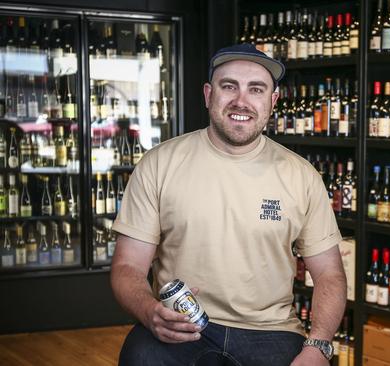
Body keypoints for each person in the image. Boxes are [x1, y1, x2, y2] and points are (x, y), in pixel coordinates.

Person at [110, 43, 347, 366]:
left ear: (272, 101)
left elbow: (330, 274)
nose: (241, 101)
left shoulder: (301, 176)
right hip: (183, 323)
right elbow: (127, 267)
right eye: (229, 86)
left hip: (271, 331)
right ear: (208, 94)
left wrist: (318, 346)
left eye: (256, 89)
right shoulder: (159, 164)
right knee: (139, 354)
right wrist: (149, 311)